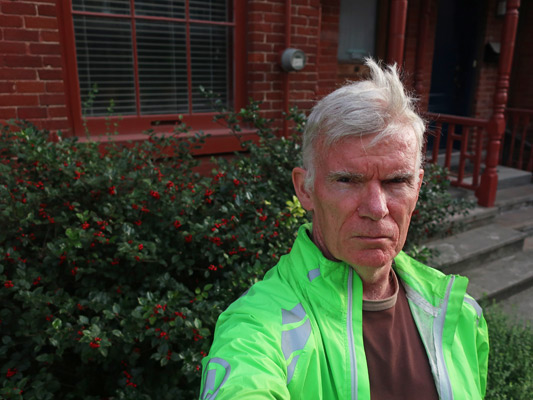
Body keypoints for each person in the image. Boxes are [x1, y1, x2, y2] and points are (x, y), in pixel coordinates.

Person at [199, 58, 489, 400]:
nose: (376, 208)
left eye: (397, 181)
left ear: (418, 188)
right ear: (305, 189)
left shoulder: (461, 314)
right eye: (348, 180)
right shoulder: (255, 326)